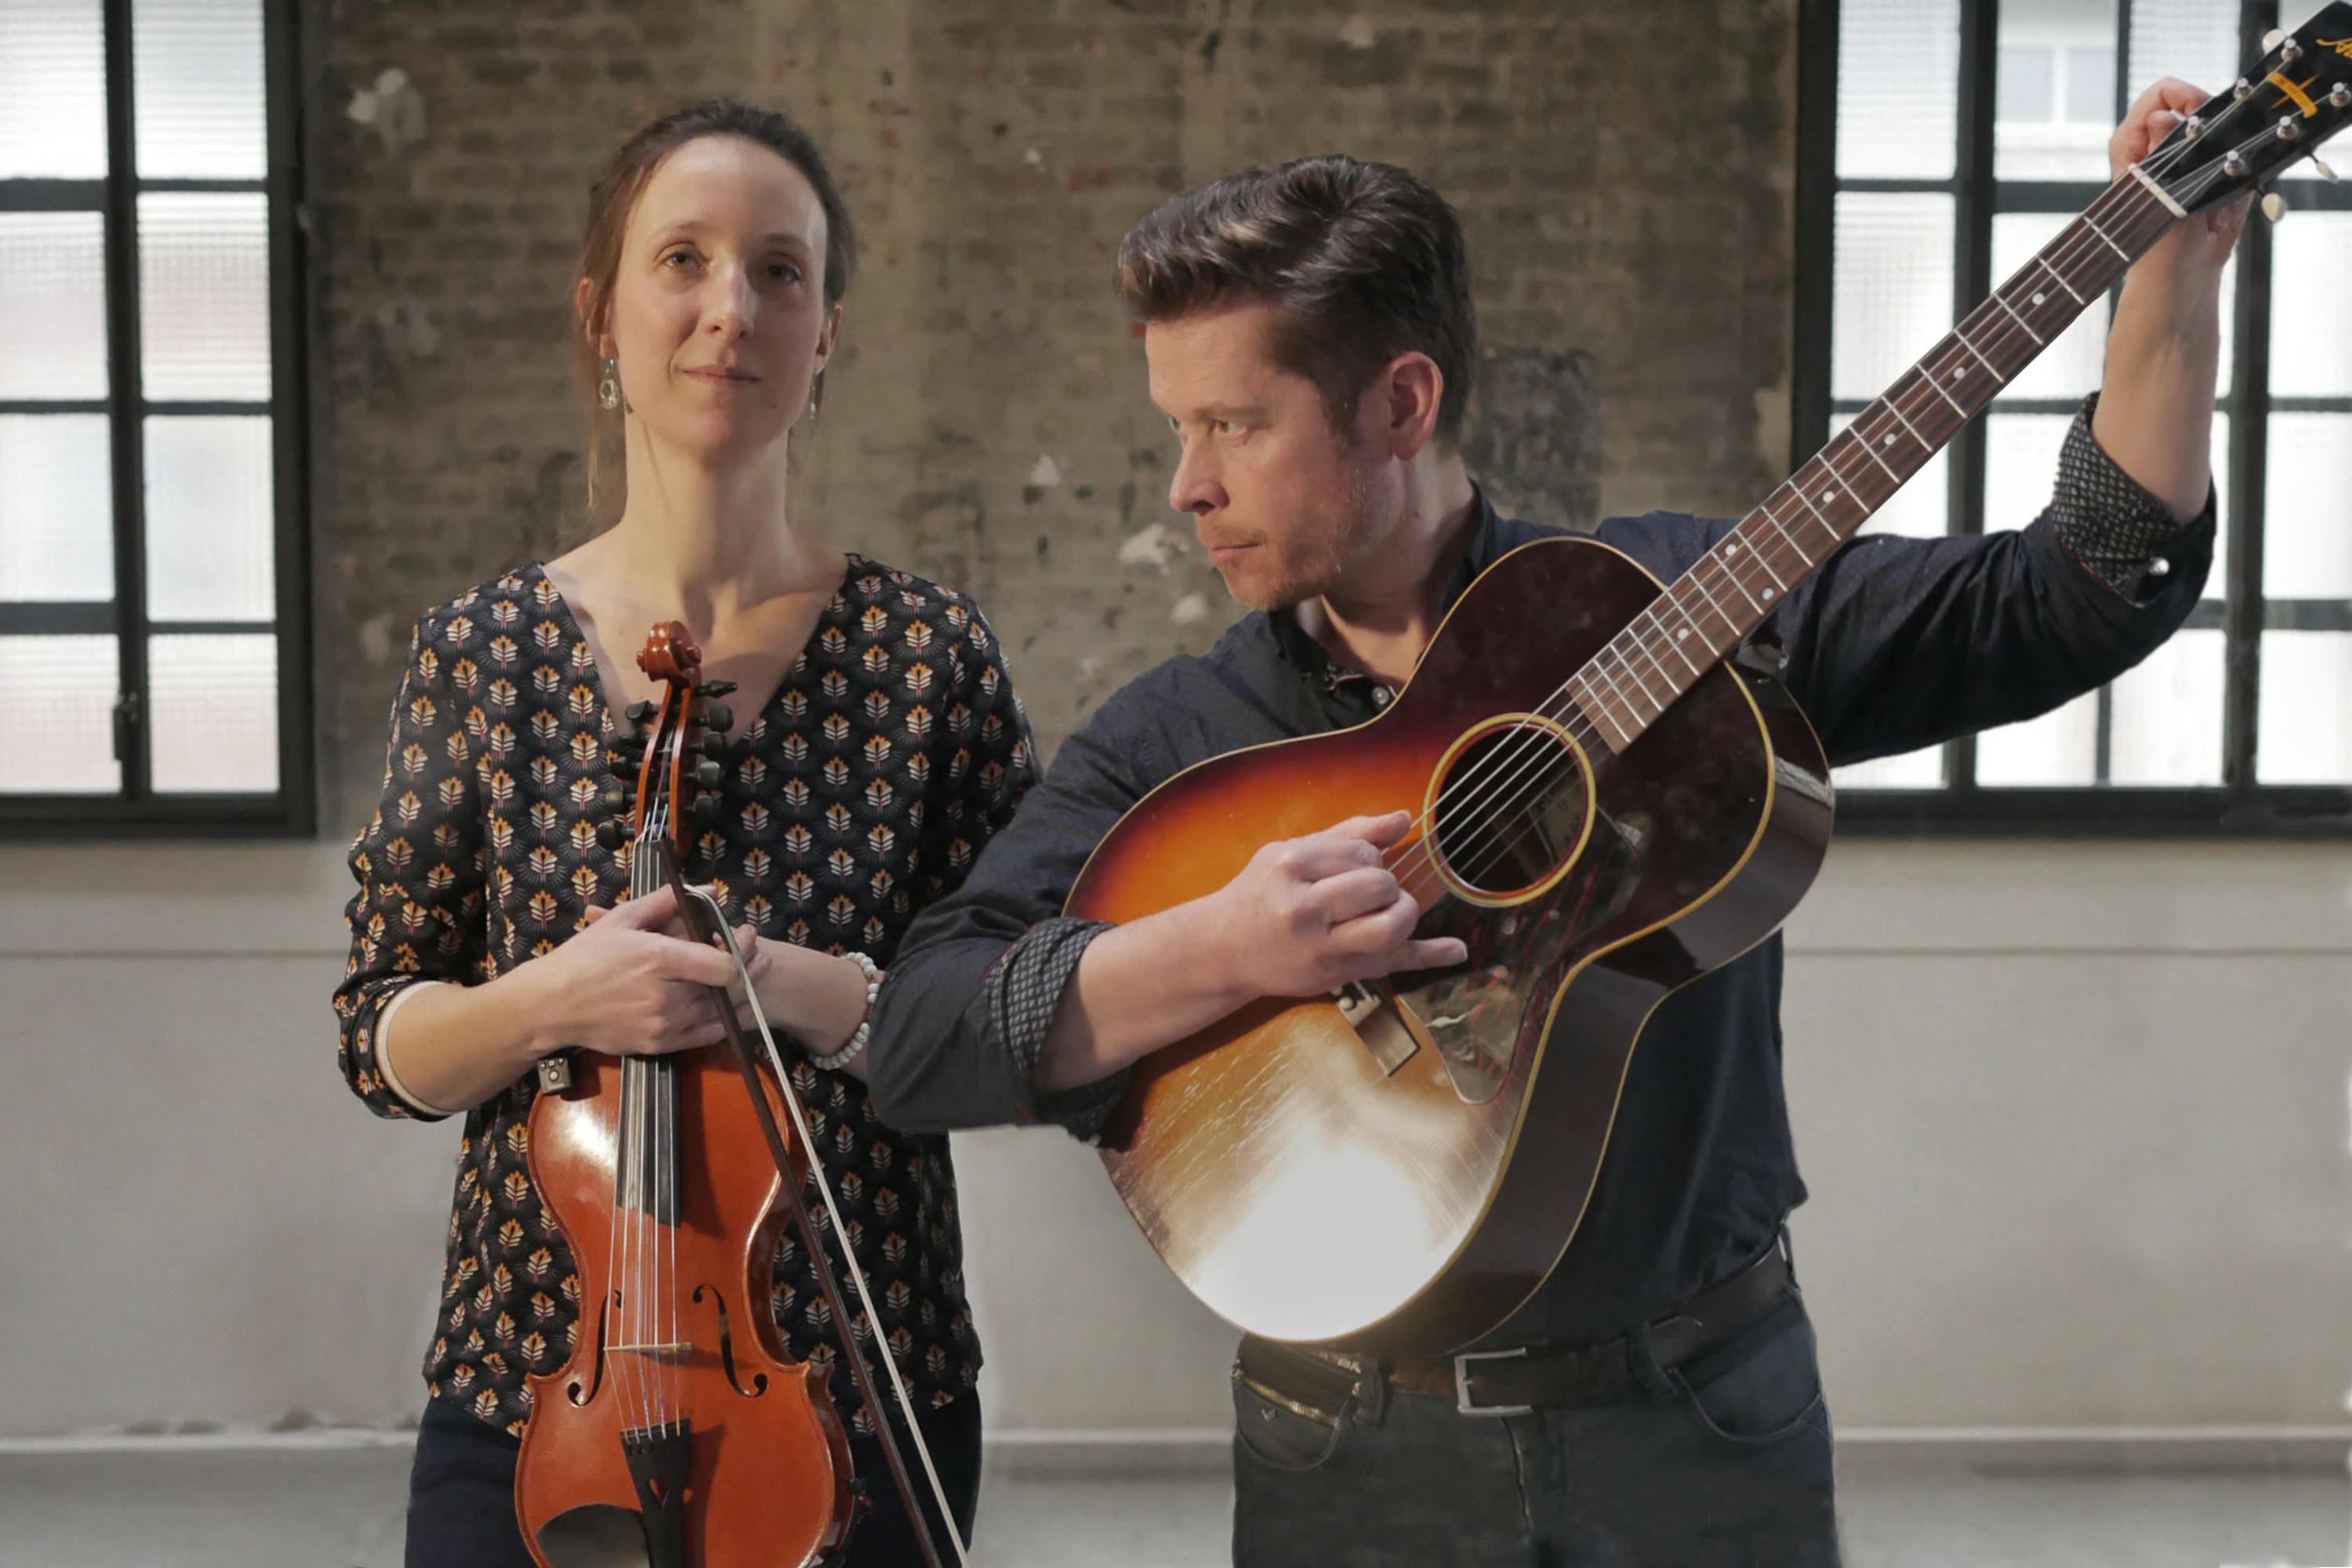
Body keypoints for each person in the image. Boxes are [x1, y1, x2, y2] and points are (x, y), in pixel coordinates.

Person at [863, 81, 2238, 1566]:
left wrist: (2170, 267)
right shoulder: (1184, 738)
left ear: (1402, 400)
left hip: (1703, 1422)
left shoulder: (1673, 612)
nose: (1187, 483)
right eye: (1178, 427)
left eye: (1235, 425)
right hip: (1350, 1455)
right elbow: (924, 1034)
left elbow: (2080, 591)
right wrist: (1224, 945)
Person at [333, 98, 1029, 1567]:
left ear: (827, 330)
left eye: (781, 272)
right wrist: (554, 1000)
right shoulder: (484, 650)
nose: (733, 310)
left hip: (862, 1378)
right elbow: (381, 1037)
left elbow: (1018, 1021)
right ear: (602, 314)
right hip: (542, 1375)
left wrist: (812, 991)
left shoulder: (927, 657)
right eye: (685, 262)